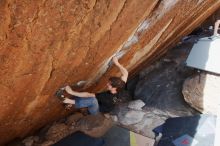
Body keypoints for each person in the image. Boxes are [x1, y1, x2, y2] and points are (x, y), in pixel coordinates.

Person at [60, 56, 128, 115]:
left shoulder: (106, 97)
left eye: (109, 84)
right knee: (90, 97)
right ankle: (72, 103)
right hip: (104, 104)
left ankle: (69, 101)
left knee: (92, 100)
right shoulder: (120, 86)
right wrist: (116, 63)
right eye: (109, 82)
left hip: (96, 111)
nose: (107, 84)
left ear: (114, 88)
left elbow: (88, 95)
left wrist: (71, 92)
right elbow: (125, 73)